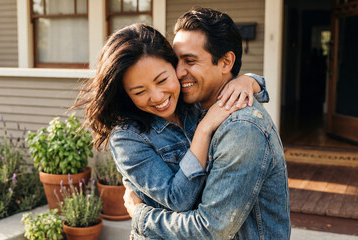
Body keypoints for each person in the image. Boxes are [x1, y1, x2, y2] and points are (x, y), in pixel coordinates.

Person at [123, 7, 291, 239]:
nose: (179, 72)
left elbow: (211, 229)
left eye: (190, 61)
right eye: (176, 60)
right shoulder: (194, 108)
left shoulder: (242, 129)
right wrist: (252, 81)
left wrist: (140, 215)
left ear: (226, 62)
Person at [73, 23, 268, 219]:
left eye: (162, 80)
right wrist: (203, 130)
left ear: (174, 66)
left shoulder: (192, 101)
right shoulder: (127, 137)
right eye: (140, 92)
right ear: (126, 95)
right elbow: (178, 200)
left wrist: (248, 81)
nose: (157, 97)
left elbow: (254, 92)